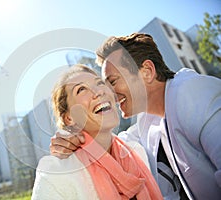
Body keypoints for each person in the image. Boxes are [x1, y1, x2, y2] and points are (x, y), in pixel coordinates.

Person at [50, 33, 221, 199]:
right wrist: (71, 136)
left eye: (113, 81)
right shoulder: (148, 120)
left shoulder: (195, 93)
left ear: (147, 71)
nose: (107, 92)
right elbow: (115, 143)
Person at [31, 64, 163, 200]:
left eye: (99, 83)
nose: (99, 92)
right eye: (81, 89)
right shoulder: (56, 173)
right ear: (69, 118)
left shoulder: (137, 151)